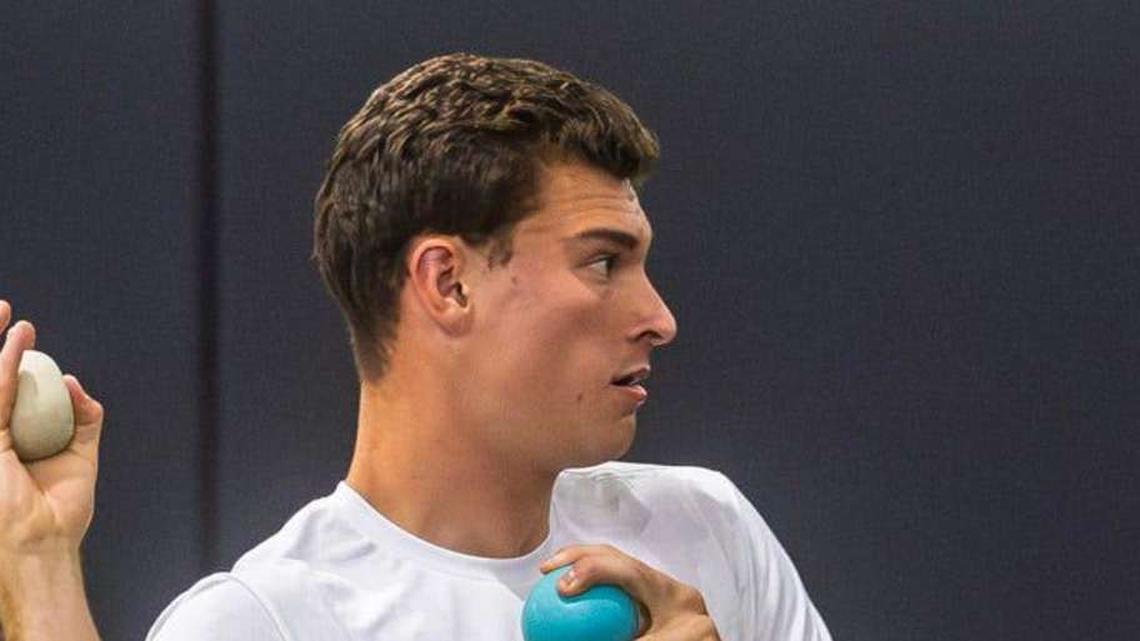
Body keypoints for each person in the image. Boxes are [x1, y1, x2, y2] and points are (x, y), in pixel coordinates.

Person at [0, 53, 832, 640]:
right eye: (604, 261)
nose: (659, 317)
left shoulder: (706, 531)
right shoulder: (263, 623)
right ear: (447, 282)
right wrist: (35, 559)